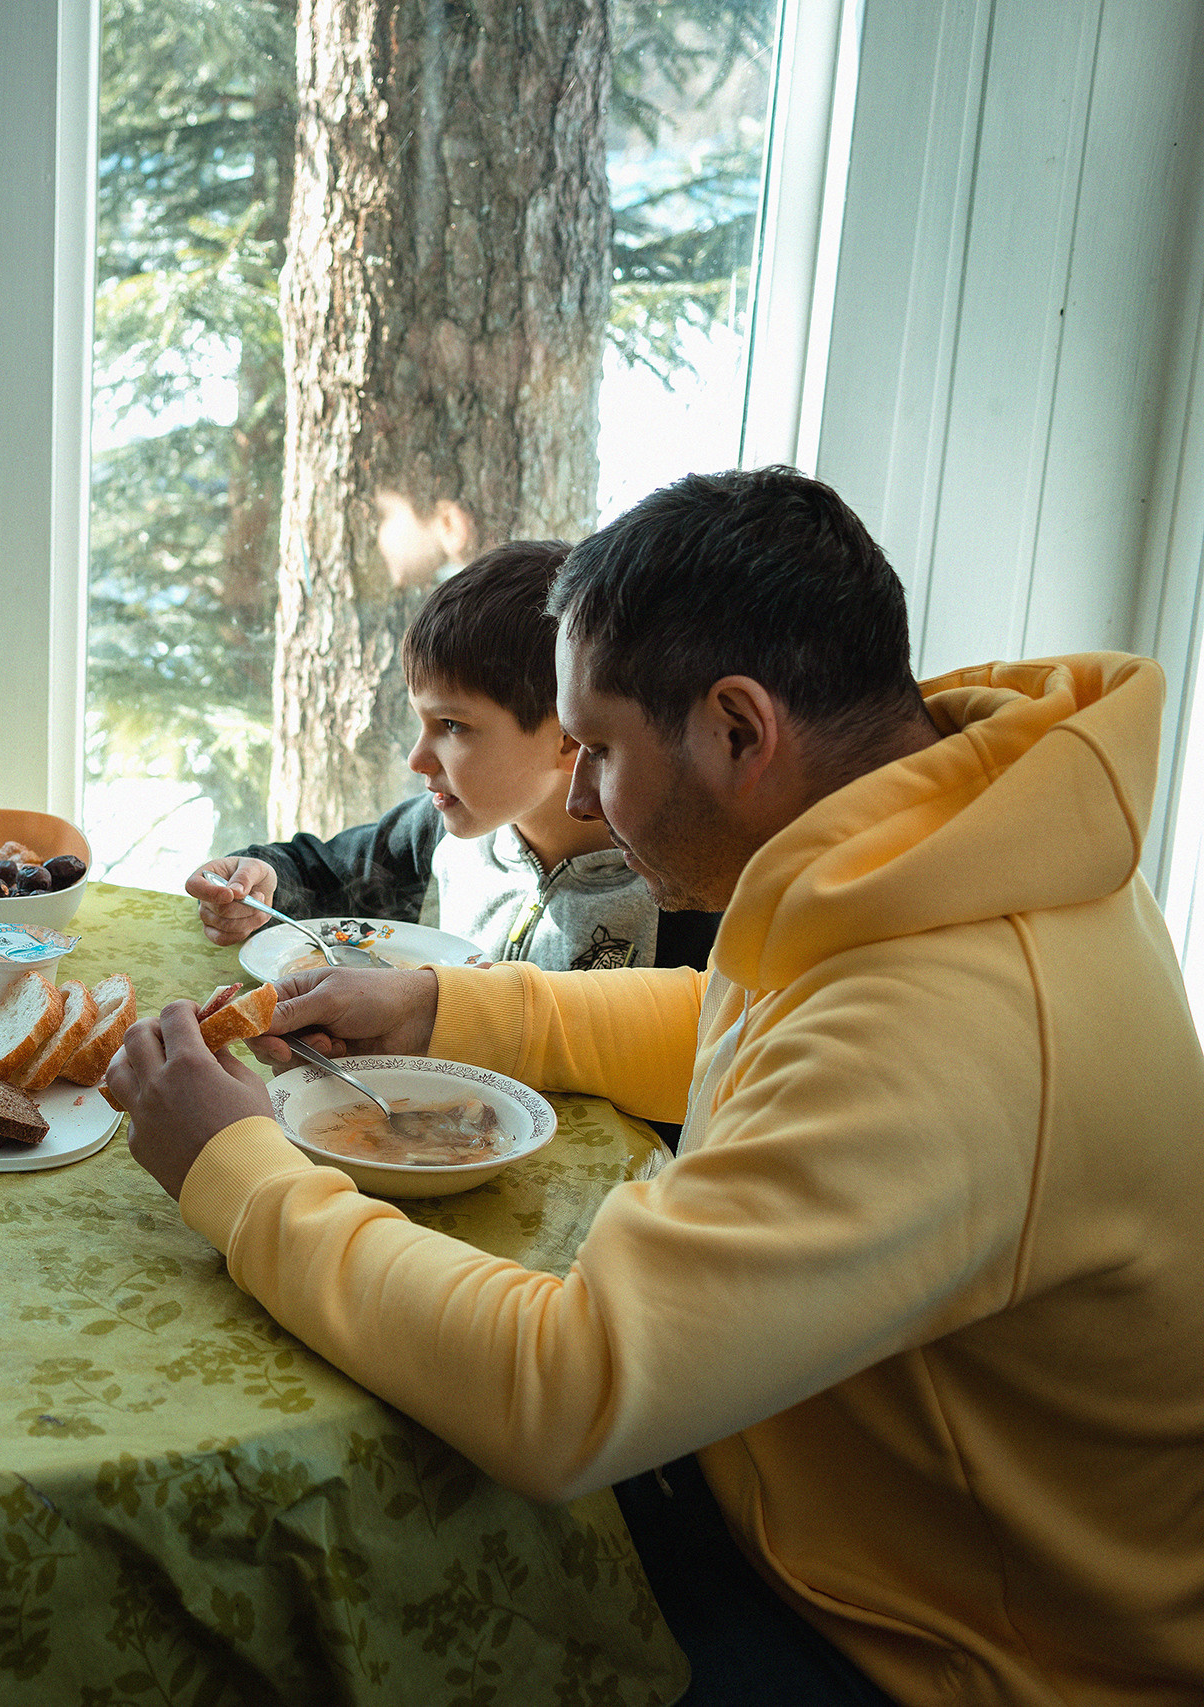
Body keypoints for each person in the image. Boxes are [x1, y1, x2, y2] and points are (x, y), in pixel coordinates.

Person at [109, 468, 1204, 1705]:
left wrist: (234, 1167)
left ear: (739, 728)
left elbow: (564, 1390)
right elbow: (758, 1028)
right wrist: (445, 1005)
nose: (575, 797)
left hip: (937, 1649)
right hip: (815, 1504)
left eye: (599, 750)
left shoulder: (950, 1029)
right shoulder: (956, 840)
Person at [189, 540, 718, 976]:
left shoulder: (675, 892)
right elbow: (322, 876)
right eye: (422, 723)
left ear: (566, 737)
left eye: (452, 726)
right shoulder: (436, 837)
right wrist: (257, 881)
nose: (418, 758)